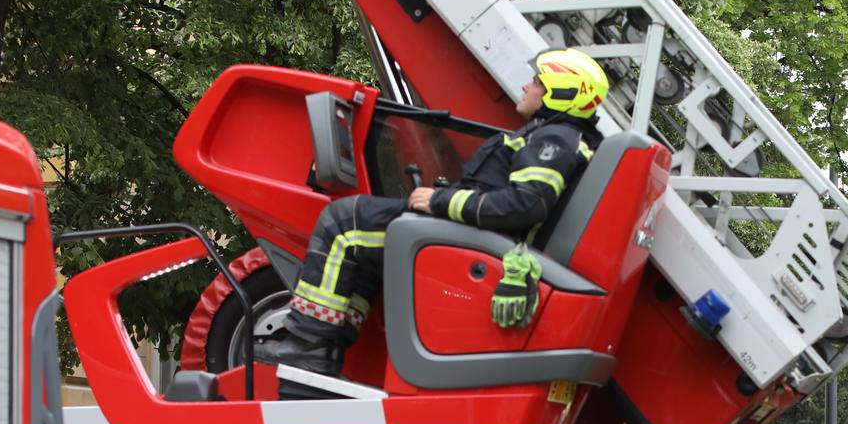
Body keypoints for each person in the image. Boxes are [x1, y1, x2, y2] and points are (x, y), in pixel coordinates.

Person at [260, 49, 610, 397]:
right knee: (365, 253)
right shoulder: (562, 137)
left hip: (475, 243)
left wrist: (438, 201)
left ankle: (308, 346)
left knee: (343, 223)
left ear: (561, 94)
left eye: (536, 83)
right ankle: (326, 348)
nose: (525, 87)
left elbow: (525, 205)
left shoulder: (555, 139)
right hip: (474, 236)